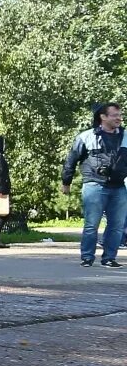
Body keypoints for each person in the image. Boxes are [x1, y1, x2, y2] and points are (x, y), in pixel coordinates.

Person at [61, 102, 125, 268]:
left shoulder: (125, 136)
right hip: (94, 185)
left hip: (119, 187)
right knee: (92, 224)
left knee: (117, 226)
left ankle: (109, 258)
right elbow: (72, 160)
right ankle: (87, 257)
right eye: (115, 115)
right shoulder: (86, 136)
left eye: (120, 115)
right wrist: (66, 182)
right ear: (103, 117)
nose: (119, 118)